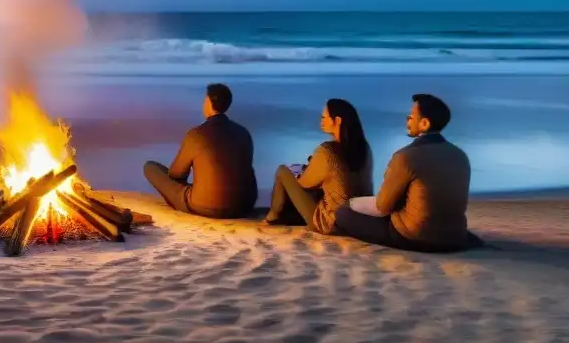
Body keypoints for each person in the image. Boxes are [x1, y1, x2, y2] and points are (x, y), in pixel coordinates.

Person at [335, 93, 476, 252]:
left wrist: (352, 203)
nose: (407, 120)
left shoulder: (406, 156)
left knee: (342, 213)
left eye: (411, 116)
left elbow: (383, 207)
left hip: (415, 236)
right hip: (455, 237)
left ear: (424, 123)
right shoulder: (459, 155)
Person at [143, 83, 257, 218]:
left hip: (205, 206)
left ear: (208, 102)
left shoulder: (197, 134)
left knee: (150, 167)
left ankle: (201, 196)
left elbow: (176, 174)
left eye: (204, 100)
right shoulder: (243, 133)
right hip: (244, 205)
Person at [264, 99, 374, 234]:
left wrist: (299, 172)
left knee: (283, 171)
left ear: (337, 121)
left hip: (333, 223)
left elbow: (304, 183)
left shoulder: (327, 150)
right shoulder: (364, 149)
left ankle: (273, 215)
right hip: (361, 219)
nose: (321, 120)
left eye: (324, 117)